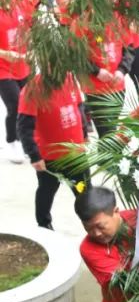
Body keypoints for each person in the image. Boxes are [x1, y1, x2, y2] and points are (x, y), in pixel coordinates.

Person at [17, 73, 92, 229]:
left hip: (76, 153)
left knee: (85, 192)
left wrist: (84, 133)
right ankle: (44, 225)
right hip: (50, 157)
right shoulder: (33, 89)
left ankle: (92, 224)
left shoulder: (70, 78)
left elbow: (79, 107)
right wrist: (34, 156)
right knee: (47, 190)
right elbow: (24, 127)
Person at [0, 0, 33, 163]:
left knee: (27, 105)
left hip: (23, 65)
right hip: (3, 68)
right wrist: (5, 54)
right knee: (14, 104)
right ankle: (12, 142)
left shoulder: (18, 4)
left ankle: (25, 141)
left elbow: (29, 27)